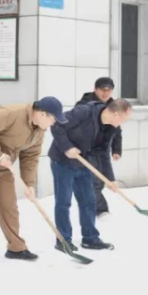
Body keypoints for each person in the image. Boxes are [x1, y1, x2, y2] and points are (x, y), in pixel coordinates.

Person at [0, 97, 67, 263]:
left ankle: (16, 248)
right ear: (42, 114)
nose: (53, 123)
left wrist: (29, 184)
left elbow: (30, 157)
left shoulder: (39, 131)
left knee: (8, 205)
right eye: (53, 119)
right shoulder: (12, 113)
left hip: (5, 164)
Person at [49, 98, 132, 252]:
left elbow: (103, 153)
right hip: (62, 162)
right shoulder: (84, 112)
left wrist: (110, 179)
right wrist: (67, 147)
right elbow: (56, 124)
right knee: (63, 202)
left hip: (84, 162)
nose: (122, 124)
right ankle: (63, 240)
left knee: (89, 201)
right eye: (123, 119)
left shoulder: (110, 127)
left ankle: (90, 238)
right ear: (114, 114)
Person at [76, 77, 123, 217]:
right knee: (93, 181)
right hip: (87, 148)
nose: (106, 93)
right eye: (103, 89)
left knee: (101, 180)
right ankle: (100, 210)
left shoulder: (113, 106)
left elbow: (117, 129)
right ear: (95, 89)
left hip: (102, 149)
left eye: (109, 90)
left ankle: (94, 207)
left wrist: (116, 149)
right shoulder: (84, 105)